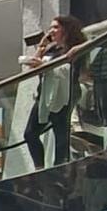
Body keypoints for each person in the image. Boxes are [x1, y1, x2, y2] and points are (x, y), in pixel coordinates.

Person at [20, 17, 85, 170]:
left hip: (64, 92)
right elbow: (33, 67)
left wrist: (46, 65)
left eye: (56, 27)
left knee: (60, 132)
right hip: (45, 93)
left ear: (66, 29)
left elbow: (71, 69)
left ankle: (59, 167)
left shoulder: (75, 48)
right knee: (30, 133)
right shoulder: (51, 49)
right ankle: (39, 168)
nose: (52, 31)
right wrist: (42, 46)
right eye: (51, 28)